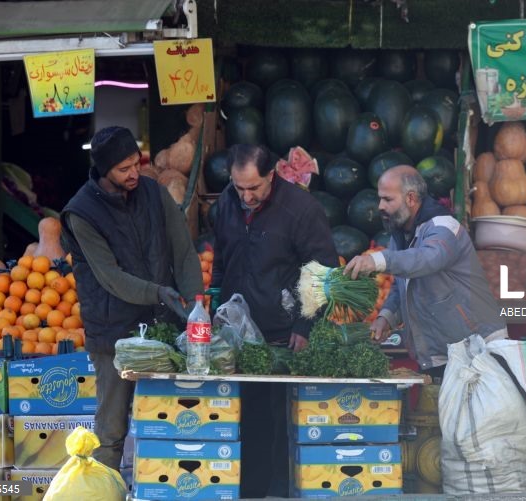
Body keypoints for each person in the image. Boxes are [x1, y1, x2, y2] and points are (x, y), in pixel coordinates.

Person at [61, 126, 203, 471]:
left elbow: (183, 251)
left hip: (161, 323)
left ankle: (164, 487)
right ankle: (103, 486)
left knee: (169, 416)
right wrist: (158, 292)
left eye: (136, 164)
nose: (134, 174)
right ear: (103, 170)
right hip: (113, 329)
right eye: (123, 169)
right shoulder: (81, 213)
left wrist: (195, 303)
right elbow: (110, 277)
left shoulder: (153, 192)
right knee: (111, 429)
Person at [211, 143, 339, 497]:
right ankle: (250, 492)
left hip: (284, 334)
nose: (246, 197)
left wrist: (305, 325)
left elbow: (323, 271)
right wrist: (214, 303)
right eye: (239, 187)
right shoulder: (226, 203)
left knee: (281, 420)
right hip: (238, 335)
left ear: (272, 174)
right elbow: (221, 257)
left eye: (254, 187)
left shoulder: (300, 209)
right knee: (246, 417)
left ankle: (281, 492)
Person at [344, 165, 506, 380]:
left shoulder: (444, 227)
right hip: (441, 356)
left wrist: (378, 260)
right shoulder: (399, 236)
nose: (380, 206)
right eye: (380, 199)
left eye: (388, 199)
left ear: (411, 198)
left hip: (480, 350)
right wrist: (386, 317)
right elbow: (401, 286)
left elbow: (429, 258)